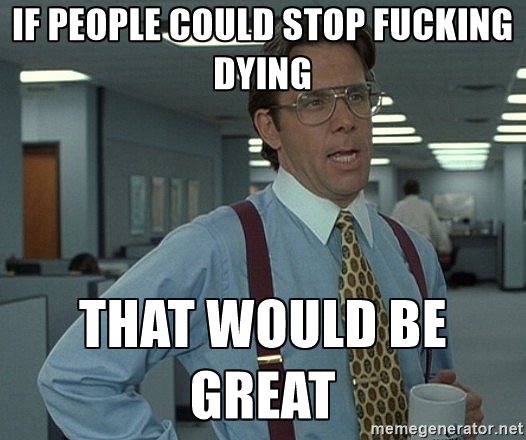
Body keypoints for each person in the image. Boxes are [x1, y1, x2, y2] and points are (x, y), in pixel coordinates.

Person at [38, 18, 483, 440]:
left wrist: (447, 414)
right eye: (314, 102)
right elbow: (76, 377)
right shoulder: (213, 249)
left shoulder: (415, 253)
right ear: (271, 128)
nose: (345, 118)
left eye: (356, 95)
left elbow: (430, 382)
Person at [392, 179, 453, 266]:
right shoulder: (426, 206)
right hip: (425, 247)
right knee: (426, 272)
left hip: (406, 249)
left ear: (404, 191)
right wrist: (444, 248)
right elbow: (437, 229)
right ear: (418, 191)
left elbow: (393, 230)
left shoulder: (399, 206)